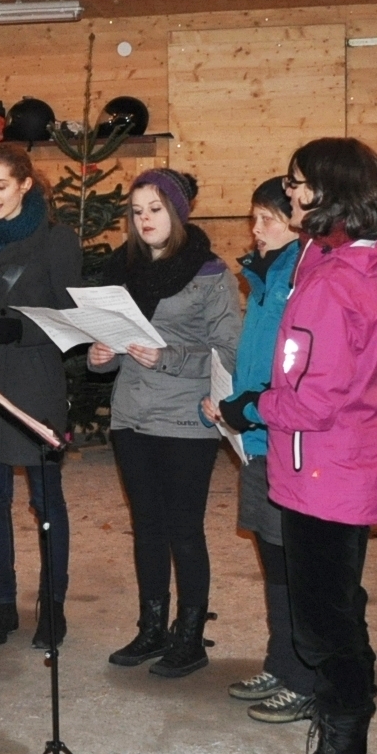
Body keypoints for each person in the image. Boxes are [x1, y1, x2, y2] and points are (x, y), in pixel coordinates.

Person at [250, 138, 377, 753]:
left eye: (296, 183)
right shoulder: (351, 263)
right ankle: (345, 717)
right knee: (340, 605)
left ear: (327, 193)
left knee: (325, 628)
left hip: (322, 476)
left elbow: (311, 402)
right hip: (345, 467)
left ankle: (344, 735)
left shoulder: (333, 285)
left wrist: (253, 405)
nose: (290, 193)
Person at [90, 168, 240, 678]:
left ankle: (190, 637)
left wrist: (168, 356)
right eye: (137, 212)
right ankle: (151, 628)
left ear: (177, 211)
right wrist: (101, 354)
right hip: (131, 416)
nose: (145, 219)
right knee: (147, 527)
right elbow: (107, 353)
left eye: (155, 209)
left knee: (184, 529)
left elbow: (230, 352)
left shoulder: (209, 273)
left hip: (184, 419)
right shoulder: (123, 268)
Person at [0, 144, 82, 649]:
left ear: (25, 184)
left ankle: (53, 607)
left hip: (35, 375)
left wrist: (21, 330)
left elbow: (69, 318)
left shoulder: (57, 239)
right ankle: (3, 605)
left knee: (45, 498)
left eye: (1, 185)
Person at [200, 177, 314, 724]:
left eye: (268, 218)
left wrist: (250, 406)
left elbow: (299, 369)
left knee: (300, 566)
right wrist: (229, 403)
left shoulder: (302, 275)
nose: (256, 228)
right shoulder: (265, 276)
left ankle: (307, 679)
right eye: (253, 218)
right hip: (257, 437)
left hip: (289, 440)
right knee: (273, 561)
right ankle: (282, 663)